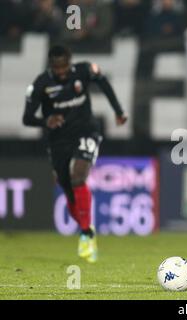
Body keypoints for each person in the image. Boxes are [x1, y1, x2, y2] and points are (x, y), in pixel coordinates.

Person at [22, 45, 127, 263]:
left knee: (78, 175)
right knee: (68, 191)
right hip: (58, 140)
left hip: (86, 132)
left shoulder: (84, 70)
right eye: (56, 68)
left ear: (70, 62)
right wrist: (45, 120)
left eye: (64, 67)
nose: (61, 72)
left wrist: (118, 111)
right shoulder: (41, 84)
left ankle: (86, 234)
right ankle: (85, 228)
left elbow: (104, 82)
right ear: (50, 65)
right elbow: (27, 118)